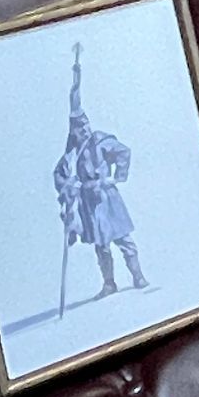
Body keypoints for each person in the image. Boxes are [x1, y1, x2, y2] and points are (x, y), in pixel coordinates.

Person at [54, 42, 148, 297]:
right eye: (78, 128)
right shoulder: (70, 154)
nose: (82, 130)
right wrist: (69, 188)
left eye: (84, 126)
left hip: (107, 197)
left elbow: (123, 151)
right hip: (88, 201)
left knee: (124, 240)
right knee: (101, 245)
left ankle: (138, 276)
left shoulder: (99, 139)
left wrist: (117, 177)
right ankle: (109, 283)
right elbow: (59, 175)